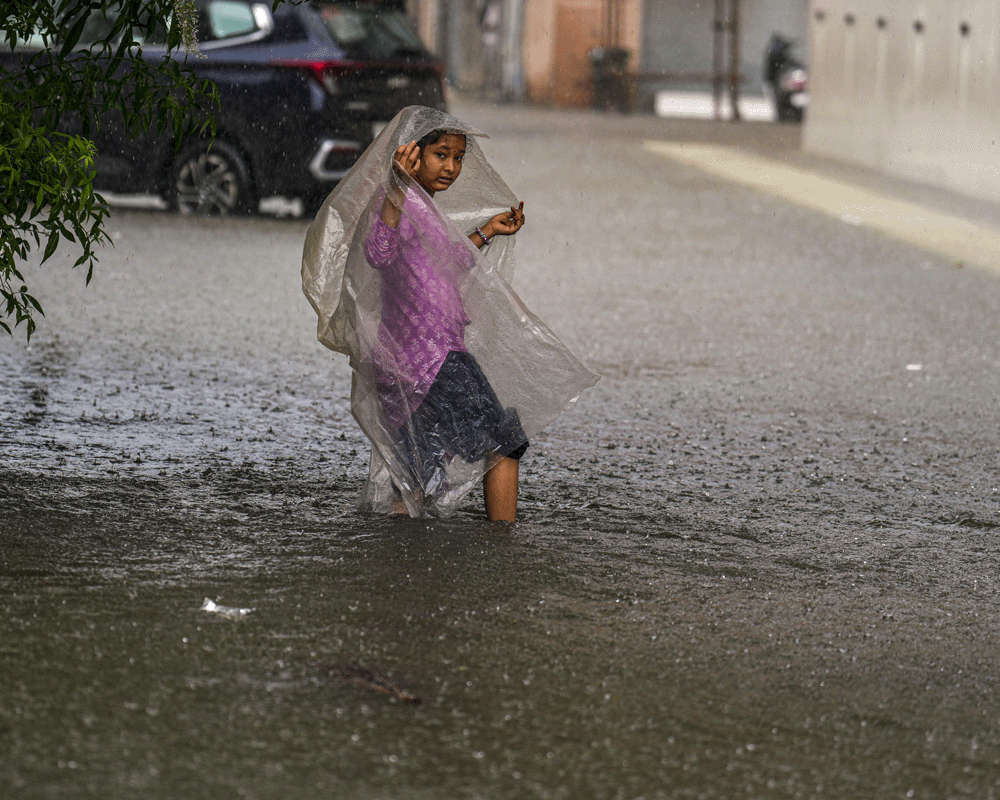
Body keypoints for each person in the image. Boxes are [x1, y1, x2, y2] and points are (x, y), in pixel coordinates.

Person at [302, 106, 597, 521]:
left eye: (458, 157)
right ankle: (501, 549)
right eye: (441, 154)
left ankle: (400, 565)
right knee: (504, 444)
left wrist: (488, 231)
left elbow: (442, 266)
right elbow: (378, 251)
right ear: (412, 154)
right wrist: (396, 190)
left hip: (406, 362)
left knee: (418, 475)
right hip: (431, 359)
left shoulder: (423, 208)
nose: (452, 166)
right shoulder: (398, 201)